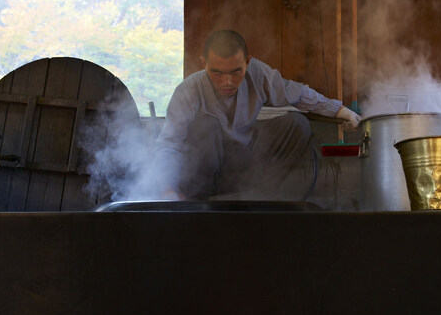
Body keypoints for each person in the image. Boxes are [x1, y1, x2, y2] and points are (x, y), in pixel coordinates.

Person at [151, 29, 361, 201]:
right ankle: (200, 204)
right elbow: (170, 144)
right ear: (203, 63)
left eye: (236, 71)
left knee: (296, 124)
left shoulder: (258, 73)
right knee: (205, 126)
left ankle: (259, 197)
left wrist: (340, 110)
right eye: (217, 72)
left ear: (248, 62)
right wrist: (167, 190)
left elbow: (297, 93)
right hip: (203, 172)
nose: (228, 82)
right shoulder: (188, 90)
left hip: (244, 160)